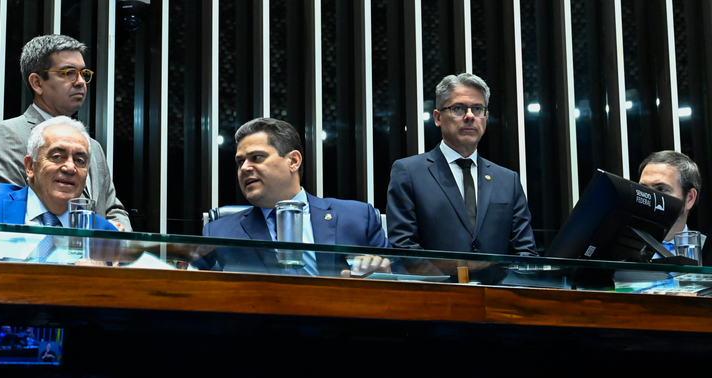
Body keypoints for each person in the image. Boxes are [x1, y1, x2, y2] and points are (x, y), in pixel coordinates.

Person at [197, 117, 390, 276]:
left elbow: (401, 275)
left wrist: (384, 274)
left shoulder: (357, 217)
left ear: (293, 161)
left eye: (257, 157)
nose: (245, 168)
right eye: (240, 162)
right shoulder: (219, 232)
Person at [0, 34, 131, 231]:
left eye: (83, 73)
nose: (80, 82)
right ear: (37, 83)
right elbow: (7, 210)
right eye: (69, 73)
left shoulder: (92, 145)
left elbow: (113, 208)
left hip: (96, 257)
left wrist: (117, 235)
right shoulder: (9, 134)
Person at [386, 72, 537, 256]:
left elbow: (525, 252)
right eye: (458, 108)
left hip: (495, 285)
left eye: (477, 109)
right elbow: (404, 246)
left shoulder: (507, 180)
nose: (469, 116)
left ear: (486, 117)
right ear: (438, 117)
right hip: (436, 284)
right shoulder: (409, 172)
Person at [0, 116, 117, 234]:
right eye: (57, 156)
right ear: (30, 166)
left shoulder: (104, 232)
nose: (70, 168)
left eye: (80, 160)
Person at [637, 150, 703, 249]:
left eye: (661, 189)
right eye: (644, 189)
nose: (649, 197)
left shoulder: (705, 251)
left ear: (689, 198)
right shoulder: (619, 249)